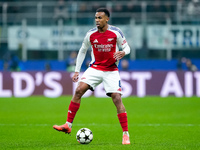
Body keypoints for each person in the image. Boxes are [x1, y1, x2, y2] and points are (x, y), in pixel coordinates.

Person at [53, 8, 131, 145]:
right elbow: (82, 51)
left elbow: (127, 47)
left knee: (117, 98)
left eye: (100, 18)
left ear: (107, 19)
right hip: (94, 68)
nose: (97, 20)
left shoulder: (116, 32)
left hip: (111, 70)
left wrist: (123, 53)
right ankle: (68, 125)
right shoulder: (90, 34)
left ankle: (125, 134)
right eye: (96, 18)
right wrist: (77, 71)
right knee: (78, 91)